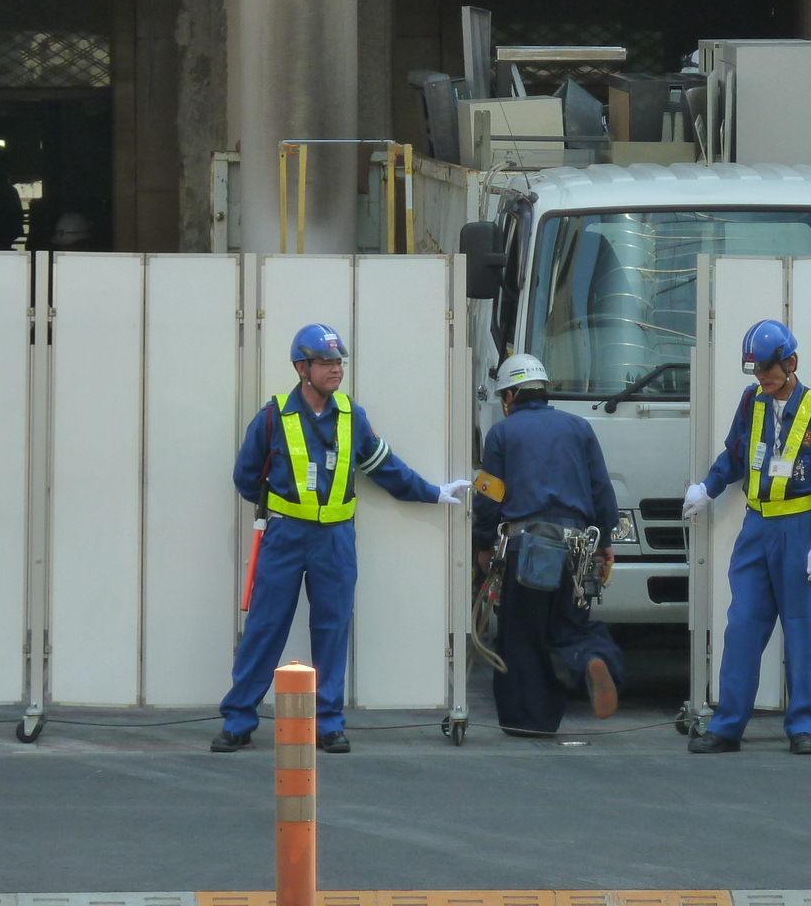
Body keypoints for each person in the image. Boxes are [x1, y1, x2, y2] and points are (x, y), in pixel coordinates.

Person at [212, 323, 470, 755]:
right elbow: (245, 476)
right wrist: (284, 510)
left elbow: (384, 467)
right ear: (301, 368)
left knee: (332, 629)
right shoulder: (273, 415)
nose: (336, 370)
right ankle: (238, 720)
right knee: (264, 627)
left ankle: (328, 723)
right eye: (326, 362)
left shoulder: (352, 416)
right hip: (285, 537)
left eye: (339, 362)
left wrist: (433, 492)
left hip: (335, 539)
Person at [682, 319, 811, 756]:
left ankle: (801, 728)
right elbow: (735, 456)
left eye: (769, 370)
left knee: (800, 629)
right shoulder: (751, 401)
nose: (763, 379)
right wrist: (708, 488)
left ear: (790, 362)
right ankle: (727, 727)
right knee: (742, 627)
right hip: (756, 529)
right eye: (757, 372)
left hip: (799, 528)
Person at [474, 353, 623, 736]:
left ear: (509, 395)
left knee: (522, 636)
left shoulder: (502, 434)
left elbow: (489, 498)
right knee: (572, 624)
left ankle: (530, 722)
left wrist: (483, 545)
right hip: (577, 547)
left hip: (527, 549)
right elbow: (602, 490)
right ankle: (593, 656)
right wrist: (604, 541)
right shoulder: (578, 427)